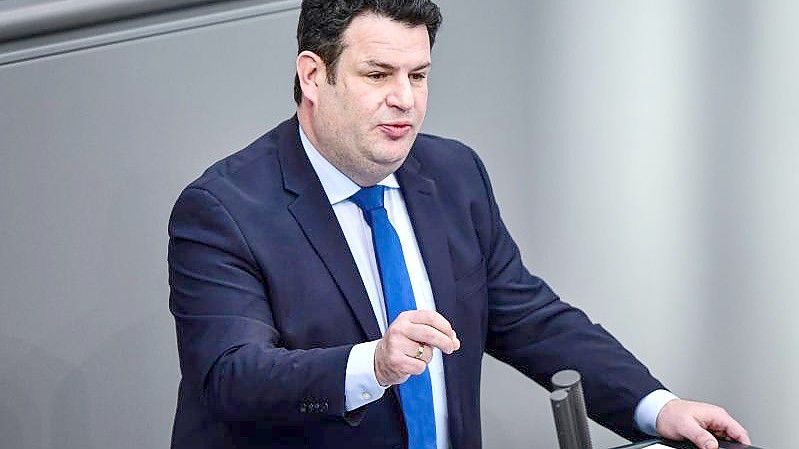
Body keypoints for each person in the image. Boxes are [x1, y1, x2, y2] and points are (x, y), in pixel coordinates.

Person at [167, 1, 751, 448]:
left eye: (418, 75)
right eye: (378, 75)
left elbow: (529, 319)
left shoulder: (452, 173)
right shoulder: (224, 210)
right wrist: (371, 364)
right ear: (314, 75)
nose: (406, 100)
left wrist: (656, 406)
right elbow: (231, 377)